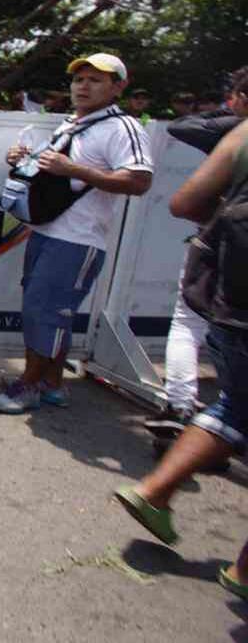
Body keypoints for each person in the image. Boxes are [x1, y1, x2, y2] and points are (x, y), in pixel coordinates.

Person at [0, 52, 153, 413]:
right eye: (79, 79)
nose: (83, 86)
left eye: (95, 80)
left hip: (78, 241)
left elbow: (139, 180)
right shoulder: (71, 123)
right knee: (47, 311)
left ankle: (29, 385)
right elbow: (55, 171)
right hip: (49, 232)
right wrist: (25, 159)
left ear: (118, 87)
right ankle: (53, 384)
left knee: (45, 312)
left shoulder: (122, 128)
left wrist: (73, 169)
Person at [114, 117, 248, 546]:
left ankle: (154, 490)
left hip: (230, 302)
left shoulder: (243, 132)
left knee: (234, 407)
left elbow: (185, 202)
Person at [144, 66, 248, 441]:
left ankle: (183, 406)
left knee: (189, 325)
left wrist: (232, 110)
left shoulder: (237, 134)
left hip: (228, 251)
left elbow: (184, 202)